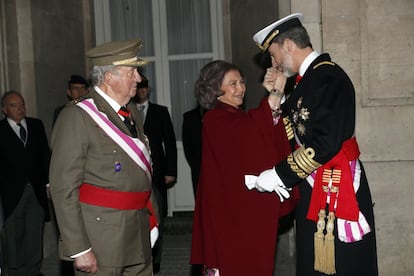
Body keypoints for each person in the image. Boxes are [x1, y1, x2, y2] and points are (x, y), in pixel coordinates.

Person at [251, 13, 378, 276]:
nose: (273, 63)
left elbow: (324, 143)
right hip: (314, 184)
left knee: (342, 265)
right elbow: (291, 134)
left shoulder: (327, 77)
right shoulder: (305, 82)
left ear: (288, 45)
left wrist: (279, 174)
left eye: (273, 54)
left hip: (336, 183)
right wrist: (276, 94)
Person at [49, 39, 160, 276]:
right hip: (102, 240)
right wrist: (78, 248)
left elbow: (141, 172)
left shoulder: (132, 114)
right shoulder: (77, 117)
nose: (139, 79)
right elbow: (63, 188)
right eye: (132, 72)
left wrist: (153, 219)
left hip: (138, 231)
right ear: (109, 77)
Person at [190, 60, 298, 276]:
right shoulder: (215, 118)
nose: (240, 88)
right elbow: (252, 132)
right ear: (215, 90)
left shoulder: (234, 115)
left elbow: (257, 130)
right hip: (228, 218)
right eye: (232, 83)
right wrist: (276, 93)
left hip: (239, 214)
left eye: (241, 82)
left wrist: (273, 98)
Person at [0, 91, 51, 276]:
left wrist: (48, 184)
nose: (20, 108)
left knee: (34, 235)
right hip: (11, 195)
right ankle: (15, 272)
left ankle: (34, 271)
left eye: (22, 104)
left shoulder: (36, 125)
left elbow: (45, 155)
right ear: (4, 109)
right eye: (14, 105)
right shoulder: (1, 130)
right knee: (14, 237)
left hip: (36, 192)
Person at [132, 76, 177, 274]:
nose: (142, 91)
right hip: (135, 174)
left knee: (157, 218)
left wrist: (171, 171)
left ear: (149, 90)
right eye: (139, 88)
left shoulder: (160, 112)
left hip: (157, 175)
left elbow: (170, 142)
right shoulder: (128, 111)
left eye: (144, 88)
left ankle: (156, 261)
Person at [182, 105, 205, 198]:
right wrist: (194, 163)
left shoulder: (218, 114)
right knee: (199, 194)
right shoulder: (189, 116)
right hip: (197, 163)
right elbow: (187, 143)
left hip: (216, 163)